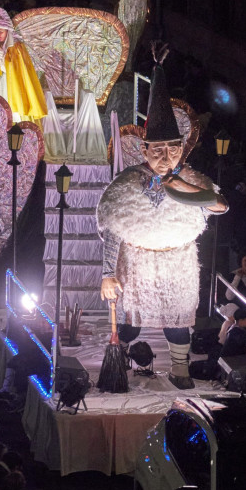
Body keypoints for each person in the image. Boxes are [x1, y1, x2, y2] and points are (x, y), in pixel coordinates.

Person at [97, 51, 227, 389]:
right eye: (157, 149)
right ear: (144, 150)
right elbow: (111, 231)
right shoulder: (126, 183)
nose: (165, 156)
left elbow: (220, 206)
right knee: (129, 324)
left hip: (178, 263)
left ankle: (180, 369)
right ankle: (118, 369)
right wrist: (107, 274)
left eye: (172, 148)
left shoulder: (192, 179)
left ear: (181, 148)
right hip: (135, 264)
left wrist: (181, 185)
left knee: (178, 321)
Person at [0, 7, 47, 121]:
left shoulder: (16, 47)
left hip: (12, 85)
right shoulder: (0, 46)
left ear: (7, 32)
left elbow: (10, 68)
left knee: (12, 112)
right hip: (2, 82)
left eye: (1, 32)